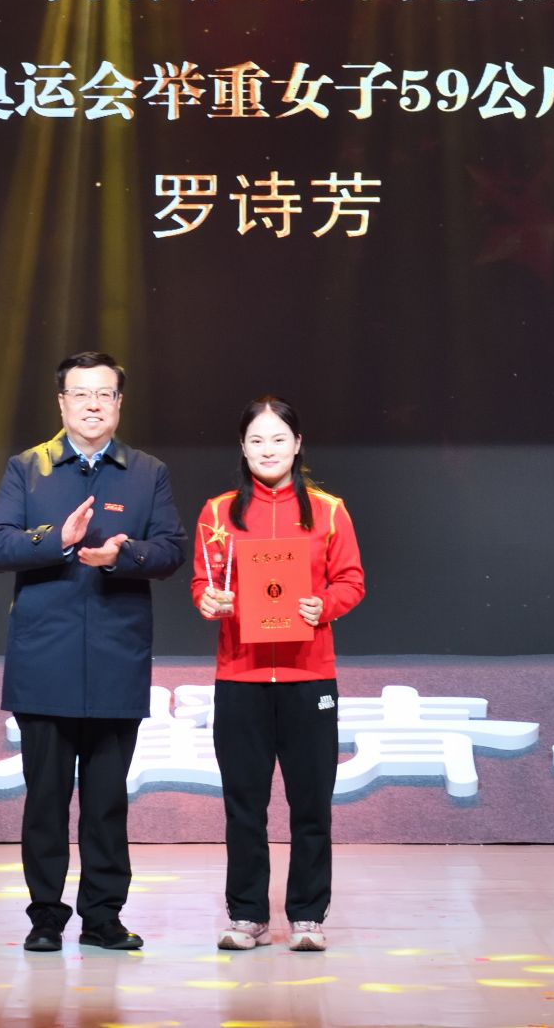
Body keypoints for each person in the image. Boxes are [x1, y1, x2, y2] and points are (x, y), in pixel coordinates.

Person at [0, 351, 185, 953]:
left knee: (107, 802)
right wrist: (56, 541)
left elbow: (171, 549)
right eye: (81, 394)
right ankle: (46, 916)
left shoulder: (147, 472)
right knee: (45, 800)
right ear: (61, 402)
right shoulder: (28, 468)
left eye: (104, 394)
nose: (93, 405)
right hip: (45, 662)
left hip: (117, 661)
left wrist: (125, 555)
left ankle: (103, 917)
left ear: (119, 403)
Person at [190, 396, 365, 953]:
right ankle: (247, 916)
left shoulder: (329, 511)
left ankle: (307, 916)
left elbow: (351, 581)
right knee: (244, 805)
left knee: (311, 804)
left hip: (308, 676)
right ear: (243, 448)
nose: (268, 450)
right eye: (256, 440)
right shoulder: (218, 513)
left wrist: (323, 605)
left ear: (297, 444)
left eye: (278, 439)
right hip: (239, 677)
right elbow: (203, 582)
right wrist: (208, 601)